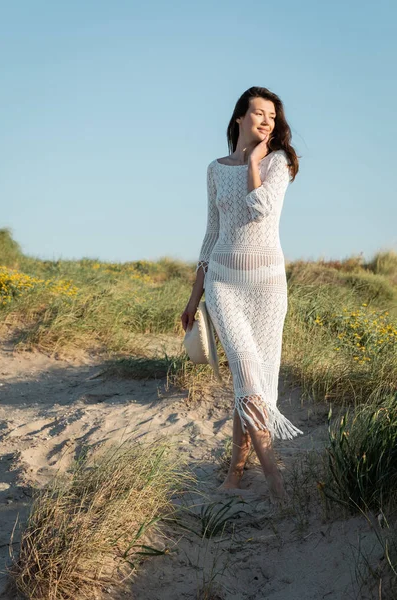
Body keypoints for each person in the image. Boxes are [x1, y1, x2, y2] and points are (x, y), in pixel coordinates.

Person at [181, 86, 303, 504]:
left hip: (267, 288)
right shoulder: (215, 169)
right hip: (223, 286)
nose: (266, 120)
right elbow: (211, 234)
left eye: (272, 115)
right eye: (258, 112)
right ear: (239, 118)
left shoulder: (278, 162)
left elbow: (260, 209)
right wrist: (194, 297)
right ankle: (278, 488)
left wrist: (253, 160)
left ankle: (235, 477)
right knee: (249, 382)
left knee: (250, 385)